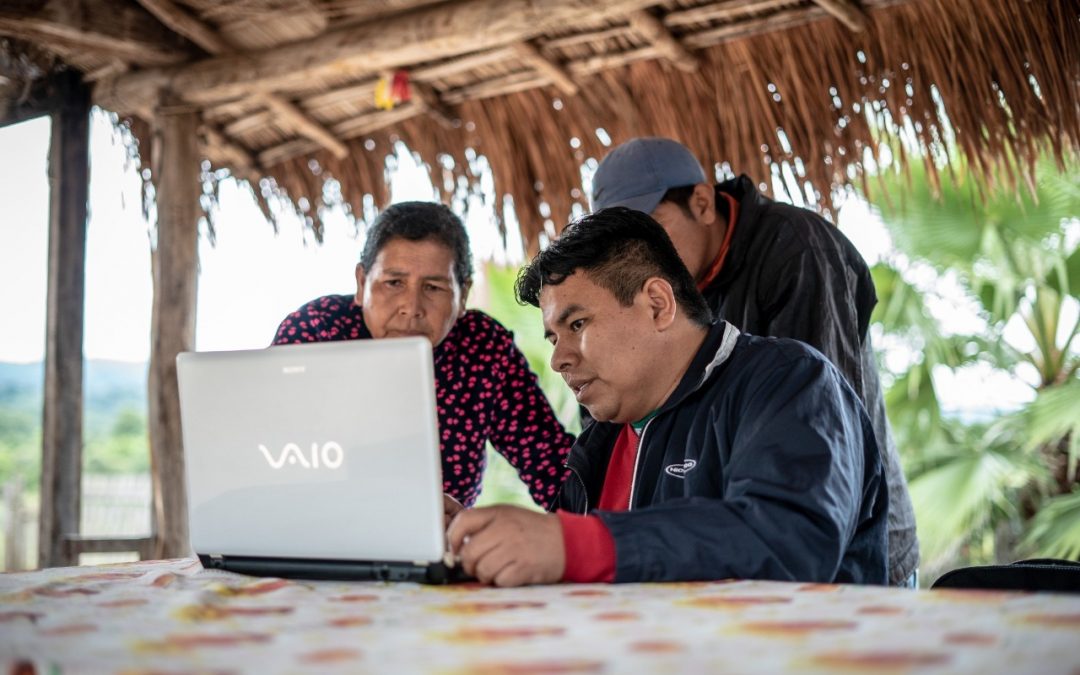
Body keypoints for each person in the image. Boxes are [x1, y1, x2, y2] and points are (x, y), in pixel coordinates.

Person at [445, 208, 887, 587]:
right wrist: (473, 545)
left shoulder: (789, 382)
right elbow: (582, 573)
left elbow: (789, 541)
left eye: (577, 324)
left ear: (658, 304)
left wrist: (575, 543)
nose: (559, 359)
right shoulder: (598, 445)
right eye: (553, 338)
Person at [588, 137, 918, 587]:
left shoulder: (800, 251)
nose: (640, 258)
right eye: (624, 244)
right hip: (728, 554)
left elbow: (811, 429)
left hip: (839, 555)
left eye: (653, 229)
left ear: (702, 202)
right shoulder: (672, 285)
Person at [272, 201, 574, 509]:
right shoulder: (317, 332)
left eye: (433, 287)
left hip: (440, 539)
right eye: (394, 283)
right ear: (362, 284)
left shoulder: (482, 349)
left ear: (462, 295)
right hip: (310, 527)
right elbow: (265, 453)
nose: (412, 307)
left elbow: (554, 469)